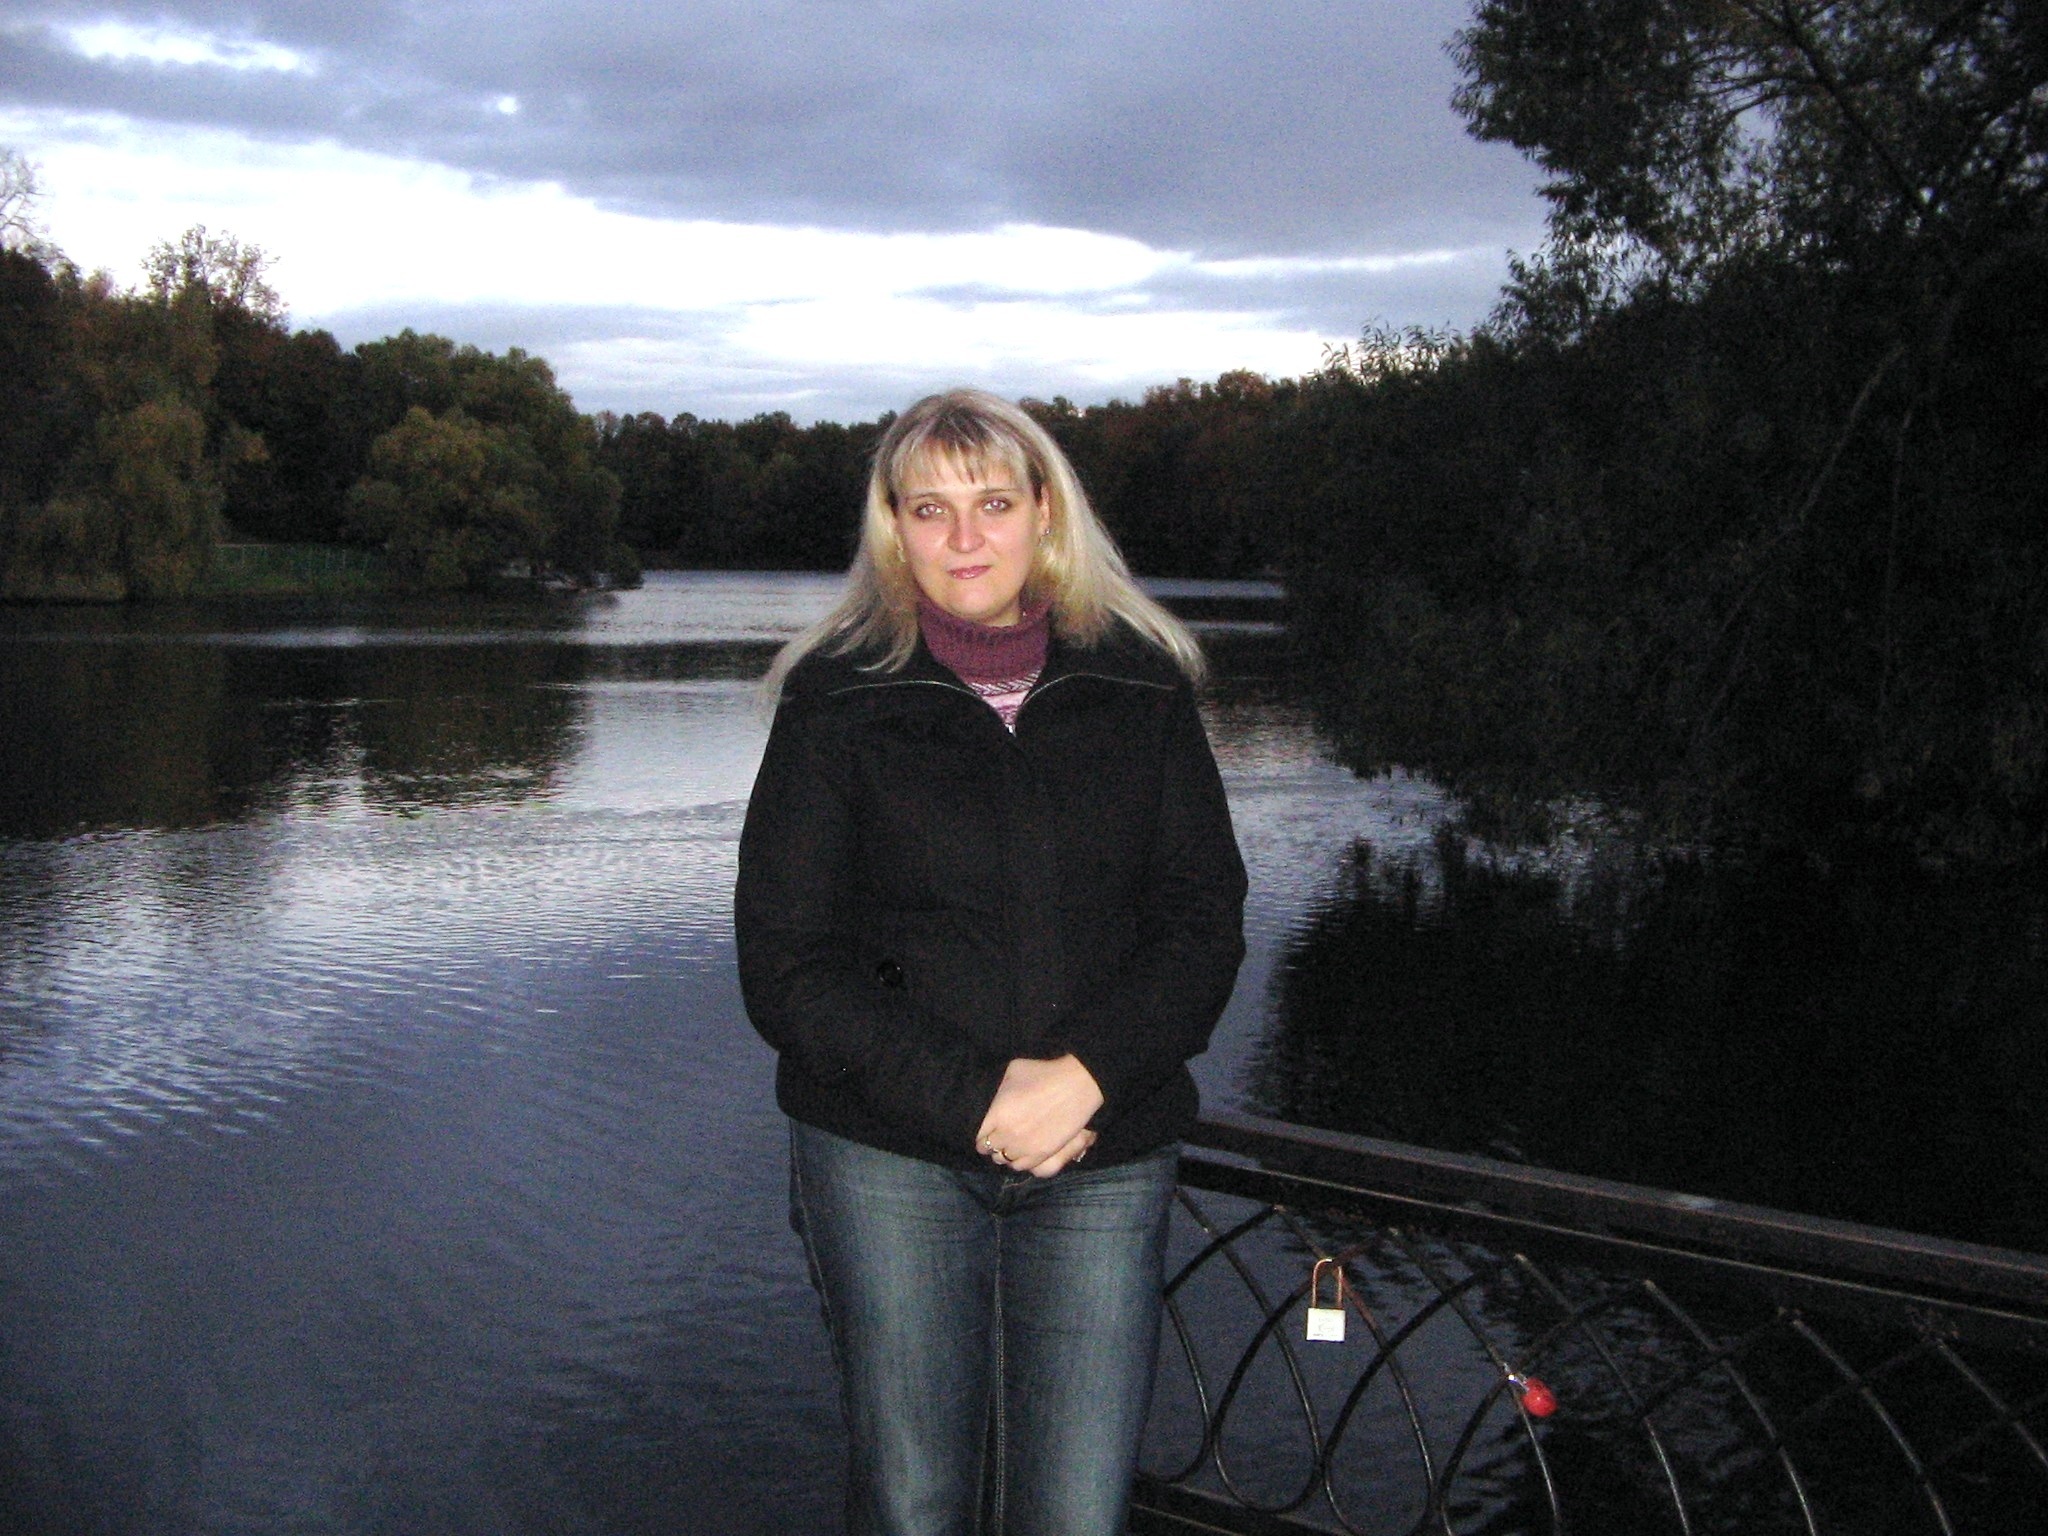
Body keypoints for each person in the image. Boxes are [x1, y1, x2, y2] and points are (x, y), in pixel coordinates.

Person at [734, 387, 1246, 1536]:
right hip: (887, 1160)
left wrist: (1087, 1076)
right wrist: (977, 1099)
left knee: (1076, 1513)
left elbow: (1200, 920)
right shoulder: (835, 696)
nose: (963, 537)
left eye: (993, 503)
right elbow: (787, 963)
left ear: (1044, 513)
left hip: (1100, 1157)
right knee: (913, 1504)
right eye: (930, 508)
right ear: (893, 529)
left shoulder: (1139, 683)